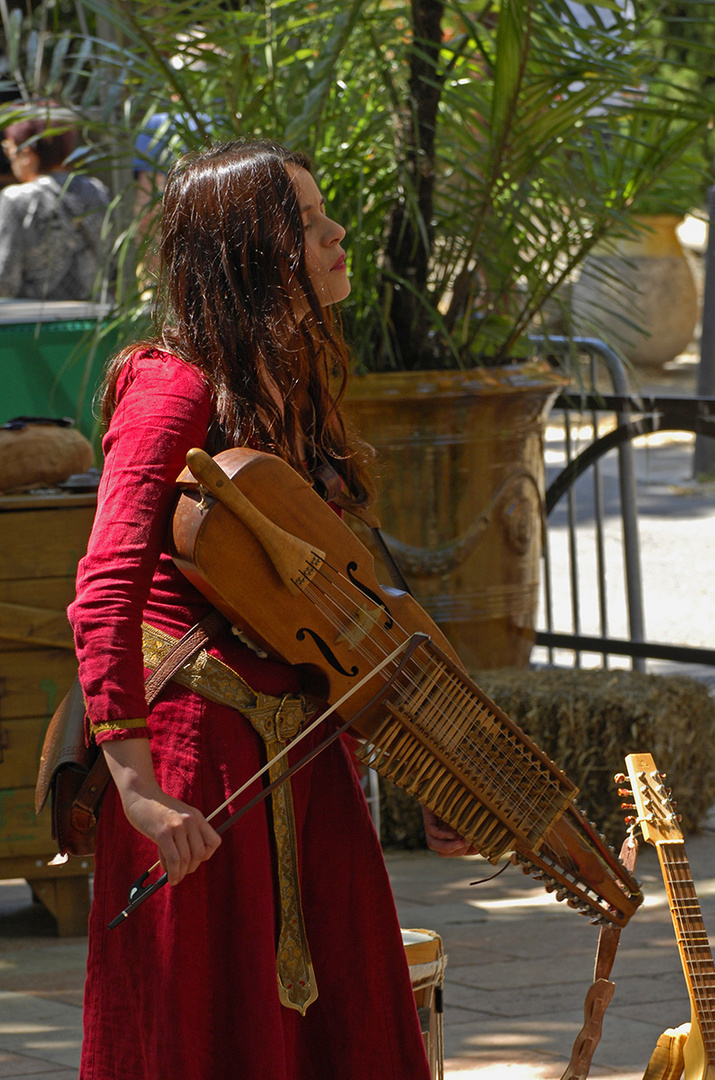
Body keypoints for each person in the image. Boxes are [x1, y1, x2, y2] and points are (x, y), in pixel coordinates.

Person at [68, 138, 470, 1080]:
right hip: (194, 759)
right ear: (253, 249)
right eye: (309, 223)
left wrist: (423, 766)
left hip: (302, 755)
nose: (337, 238)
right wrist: (134, 786)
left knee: (349, 1016)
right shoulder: (173, 387)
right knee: (200, 1026)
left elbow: (328, 606)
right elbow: (106, 580)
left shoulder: (287, 386)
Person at [0, 109, 110, 300]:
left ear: (26, 151)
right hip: (94, 314)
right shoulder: (96, 191)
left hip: (33, 321)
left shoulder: (17, 198)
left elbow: (6, 280)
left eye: (8, 149)